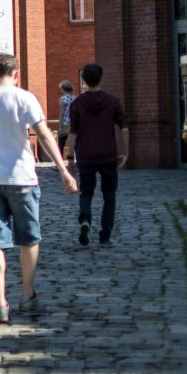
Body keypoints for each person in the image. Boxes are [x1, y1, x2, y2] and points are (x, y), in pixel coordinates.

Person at [0, 53, 78, 324]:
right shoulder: (25, 98)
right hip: (22, 179)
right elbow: (44, 135)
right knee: (28, 238)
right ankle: (27, 294)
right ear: (16, 74)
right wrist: (63, 170)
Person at [64, 62, 128, 246]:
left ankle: (85, 221)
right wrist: (125, 151)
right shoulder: (112, 101)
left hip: (86, 155)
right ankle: (105, 234)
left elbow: (73, 132)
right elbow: (124, 128)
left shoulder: (77, 103)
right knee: (109, 195)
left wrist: (70, 158)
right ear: (101, 78)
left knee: (86, 193)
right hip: (108, 154)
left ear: (84, 80)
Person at [56, 80, 78, 155]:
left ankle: (59, 162)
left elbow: (62, 113)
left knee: (61, 143)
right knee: (75, 142)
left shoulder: (62, 99)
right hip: (74, 122)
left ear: (63, 89)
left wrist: (59, 126)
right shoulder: (76, 98)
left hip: (65, 123)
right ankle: (78, 160)